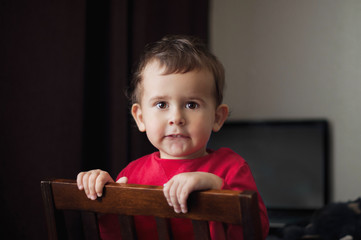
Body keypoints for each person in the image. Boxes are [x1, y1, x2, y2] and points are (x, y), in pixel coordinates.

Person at [77, 35, 269, 239]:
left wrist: (218, 187)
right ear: (140, 118)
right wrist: (103, 202)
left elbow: (258, 231)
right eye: (161, 104)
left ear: (217, 117)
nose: (176, 118)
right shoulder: (132, 175)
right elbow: (117, 235)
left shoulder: (231, 168)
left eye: (191, 105)